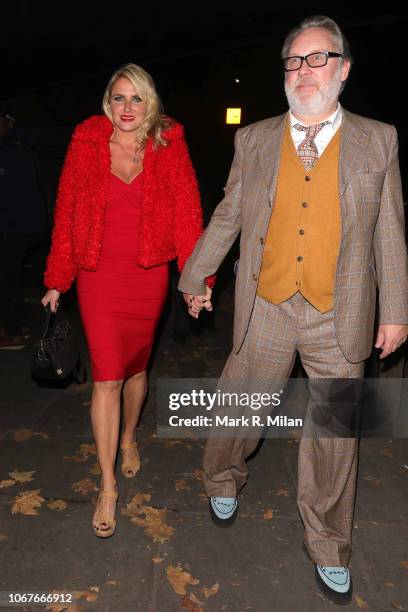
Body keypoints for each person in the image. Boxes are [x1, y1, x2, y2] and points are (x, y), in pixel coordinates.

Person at [179, 15, 408, 604]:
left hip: (342, 311)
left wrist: (397, 309)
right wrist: (196, 272)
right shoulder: (254, 139)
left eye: (318, 58)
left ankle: (330, 543)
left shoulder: (378, 138)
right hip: (268, 303)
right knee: (240, 403)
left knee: (335, 436)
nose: (304, 71)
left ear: (344, 69)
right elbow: (229, 213)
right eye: (294, 60)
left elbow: (389, 230)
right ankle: (222, 476)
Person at [42, 63, 213, 538]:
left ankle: (130, 436)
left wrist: (197, 280)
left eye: (136, 99)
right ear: (107, 104)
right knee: (107, 377)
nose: (127, 108)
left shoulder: (168, 145)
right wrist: (59, 276)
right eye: (119, 98)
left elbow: (187, 215)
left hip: (147, 275)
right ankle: (108, 483)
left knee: (137, 368)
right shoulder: (87, 144)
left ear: (150, 103)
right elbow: (66, 210)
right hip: (97, 275)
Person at [0, 110, 49, 349]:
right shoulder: (22, 147)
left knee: (6, 278)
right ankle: (20, 326)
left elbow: (9, 194)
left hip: (17, 226)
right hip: (31, 224)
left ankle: (14, 332)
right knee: (14, 276)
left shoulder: (9, 151)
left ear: (7, 124)